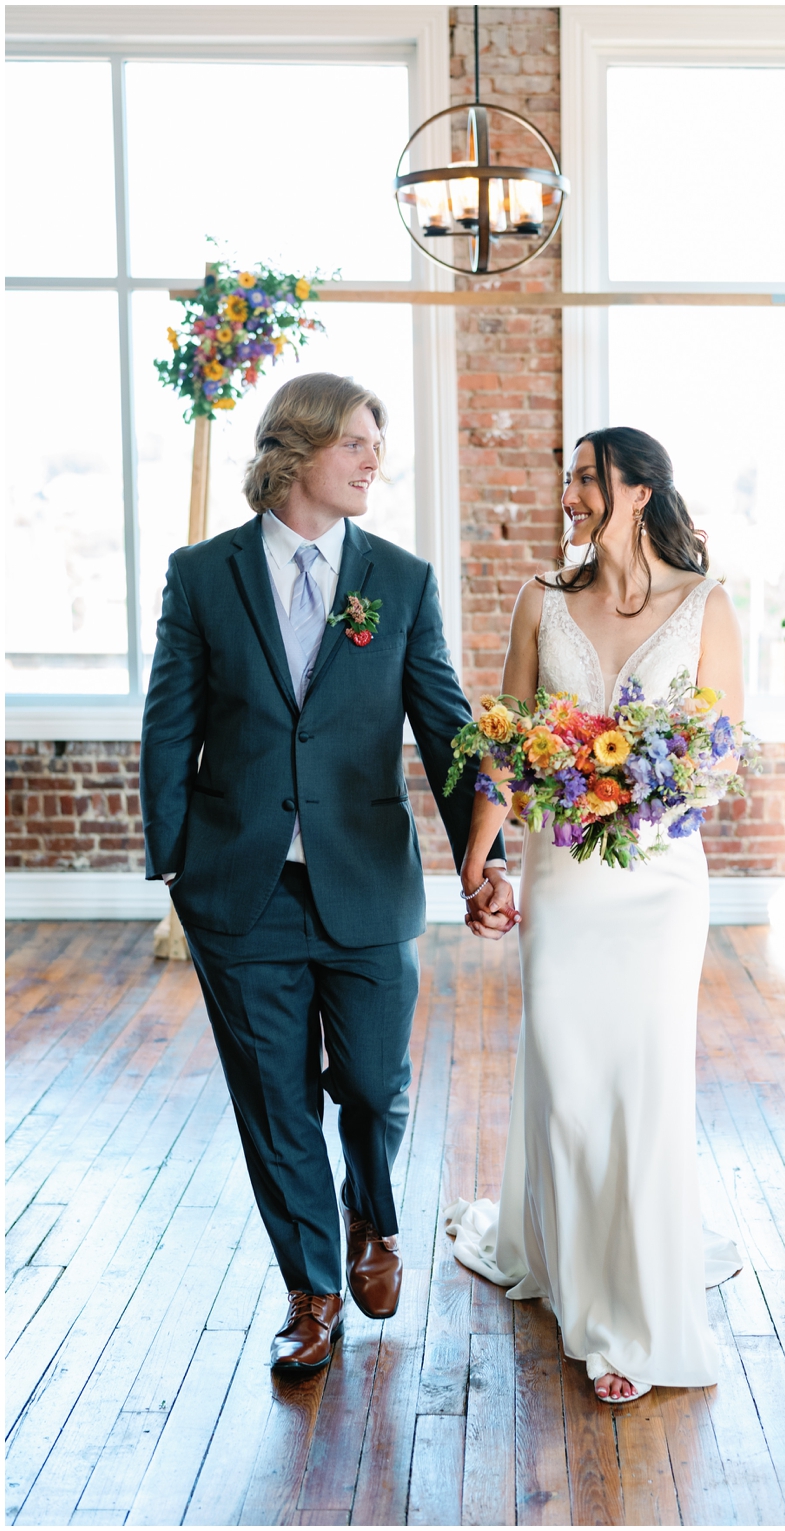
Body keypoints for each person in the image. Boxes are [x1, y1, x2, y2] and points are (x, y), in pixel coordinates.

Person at [140, 373, 512, 1377]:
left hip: (366, 882)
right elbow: (170, 720)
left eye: (374, 444)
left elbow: (446, 727)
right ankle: (311, 1291)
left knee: (375, 1084)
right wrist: (172, 861)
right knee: (274, 1099)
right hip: (238, 888)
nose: (370, 460)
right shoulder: (202, 574)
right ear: (296, 450)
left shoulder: (399, 577)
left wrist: (486, 859)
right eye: (353, 442)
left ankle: (372, 1220)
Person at [447, 426, 744, 1403]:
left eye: (585, 475)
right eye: (566, 473)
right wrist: (479, 859)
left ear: (638, 486)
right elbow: (503, 741)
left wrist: (639, 792)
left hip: (660, 876)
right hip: (567, 872)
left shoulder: (705, 603)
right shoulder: (545, 598)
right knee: (569, 1074)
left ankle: (625, 1322)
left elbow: (720, 753)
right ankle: (571, 1267)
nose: (568, 490)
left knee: (645, 1075)